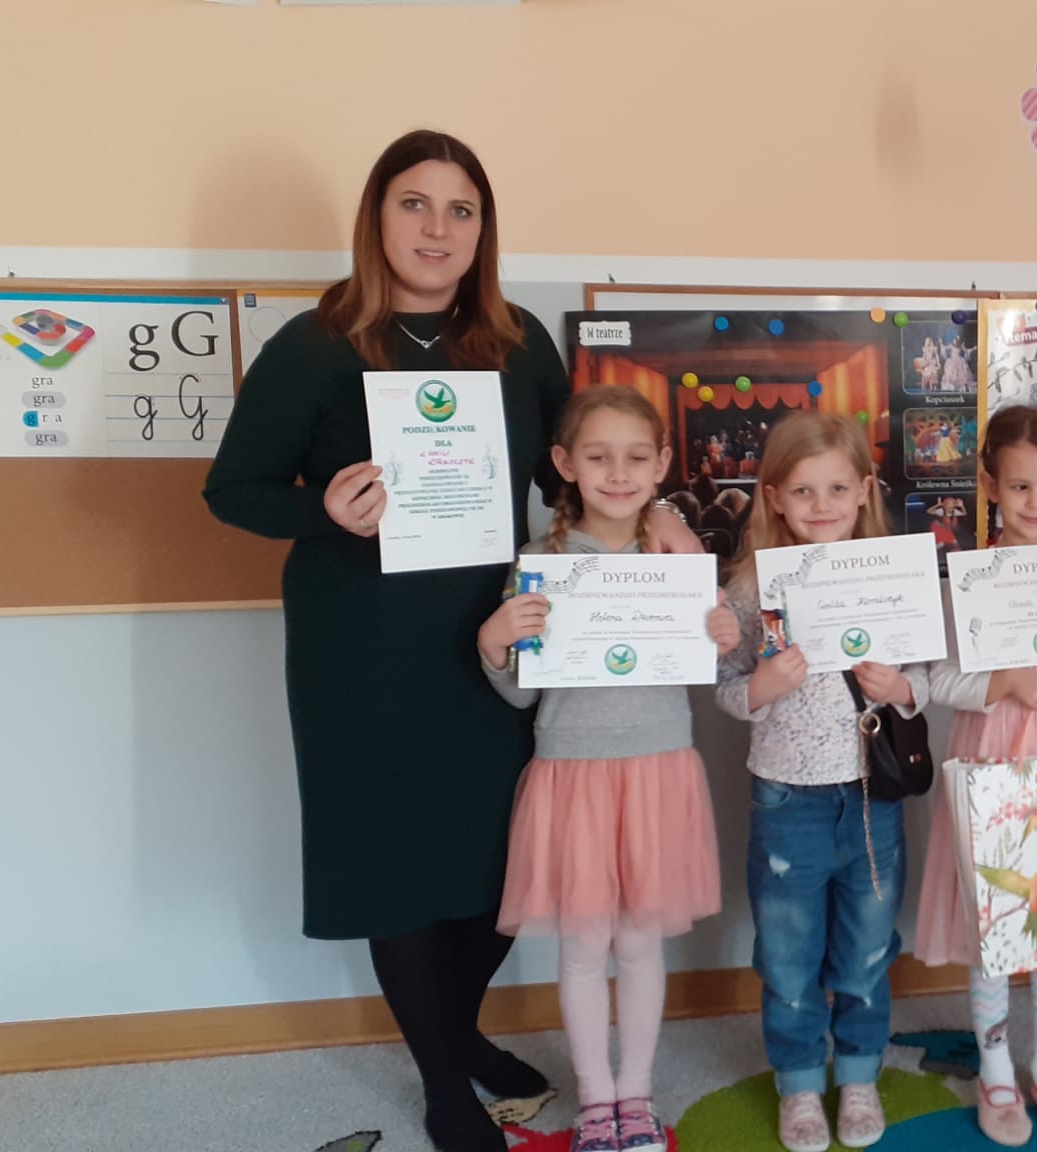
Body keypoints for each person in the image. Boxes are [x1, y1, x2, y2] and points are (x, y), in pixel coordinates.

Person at [203, 130, 691, 1152]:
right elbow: (233, 491)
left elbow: (579, 466)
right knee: (394, 867)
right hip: (360, 649)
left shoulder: (515, 343)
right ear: (377, 218)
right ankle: (441, 1081)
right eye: (414, 204)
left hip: (499, 636)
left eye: (460, 210)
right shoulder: (316, 346)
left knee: (499, 862)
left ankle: (455, 1032)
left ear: (483, 230)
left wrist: (659, 520)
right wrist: (321, 510)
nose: (437, 228)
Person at [477, 387, 738, 1152]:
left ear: (661, 464)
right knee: (585, 947)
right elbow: (521, 691)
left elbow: (700, 665)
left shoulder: (677, 558)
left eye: (635, 457)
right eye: (598, 457)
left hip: (657, 773)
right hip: (574, 776)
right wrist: (494, 641)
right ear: (565, 463)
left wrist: (721, 631)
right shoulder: (540, 564)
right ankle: (597, 1102)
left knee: (640, 945)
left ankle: (636, 1096)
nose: (618, 473)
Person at [714, 412, 930, 1152]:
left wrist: (902, 688)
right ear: (774, 497)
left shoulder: (891, 577)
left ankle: (860, 1075)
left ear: (864, 490)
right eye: (803, 490)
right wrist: (763, 686)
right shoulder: (751, 589)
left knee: (868, 950)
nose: (822, 504)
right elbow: (725, 688)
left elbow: (924, 679)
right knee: (788, 958)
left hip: (871, 796)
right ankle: (801, 1083)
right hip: (787, 800)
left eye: (838, 488)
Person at [914, 406, 1037, 1147]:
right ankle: (996, 1070)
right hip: (995, 755)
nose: (1036, 501)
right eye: (1020, 485)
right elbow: (940, 680)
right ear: (990, 484)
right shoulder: (969, 577)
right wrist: (1004, 682)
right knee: (998, 921)